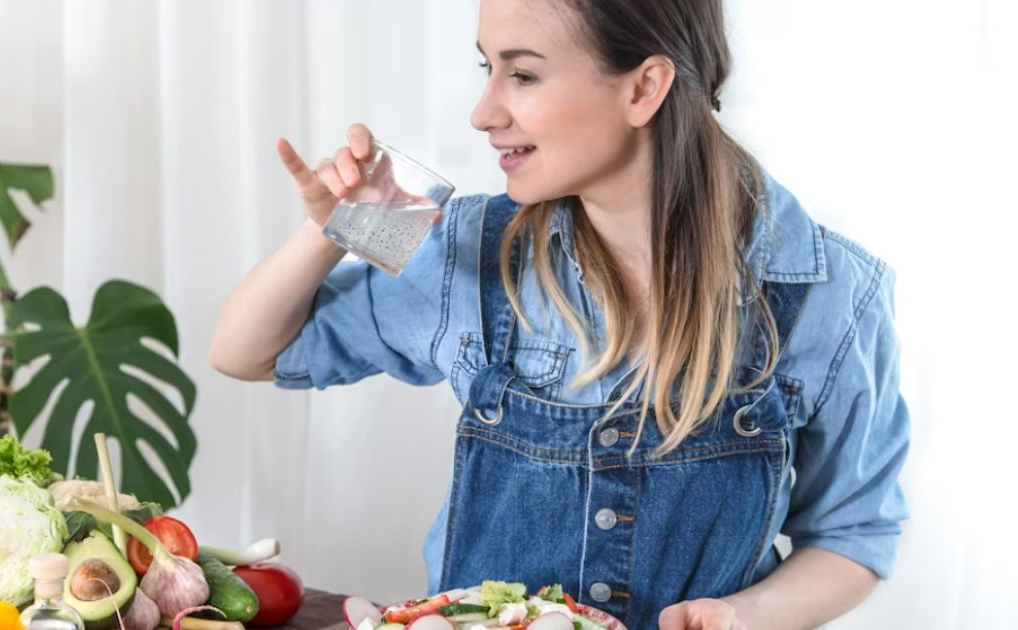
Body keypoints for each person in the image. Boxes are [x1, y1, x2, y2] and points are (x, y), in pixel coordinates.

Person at [209, 0, 910, 627]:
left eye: (522, 74)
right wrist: (332, 226)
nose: (483, 112)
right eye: (488, 68)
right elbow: (246, 352)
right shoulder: (469, 248)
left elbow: (854, 535)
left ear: (644, 87)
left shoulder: (828, 290)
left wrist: (739, 616)